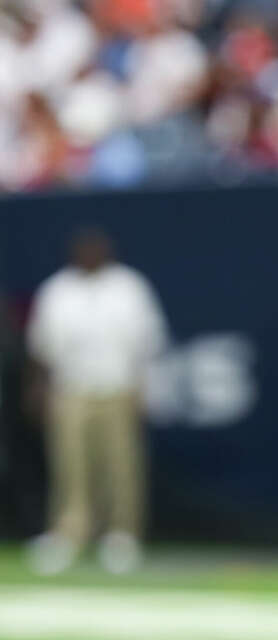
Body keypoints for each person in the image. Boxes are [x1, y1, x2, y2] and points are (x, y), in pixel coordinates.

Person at [25, 227, 166, 575]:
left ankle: (122, 536)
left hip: (118, 388)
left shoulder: (128, 287)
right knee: (71, 465)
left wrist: (145, 390)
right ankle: (70, 534)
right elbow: (42, 348)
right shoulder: (58, 290)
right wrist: (40, 390)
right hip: (72, 389)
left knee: (121, 465)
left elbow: (148, 343)